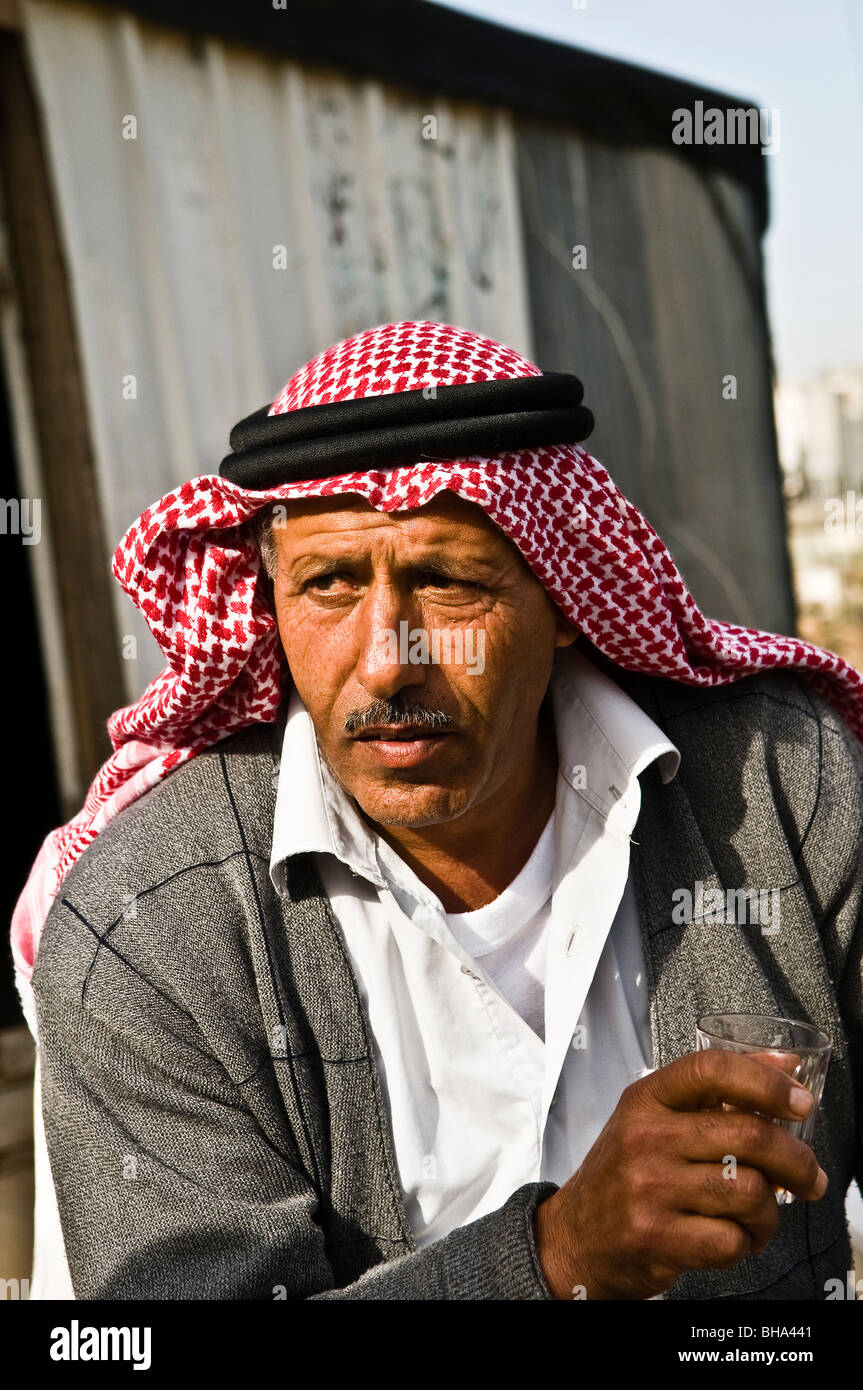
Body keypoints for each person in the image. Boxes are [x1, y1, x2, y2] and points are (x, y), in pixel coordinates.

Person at [13, 320, 863, 1300]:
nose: (384, 660)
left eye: (446, 582)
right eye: (328, 585)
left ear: (562, 598)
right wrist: (553, 1259)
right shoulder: (148, 924)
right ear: (270, 603)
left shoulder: (781, 789)